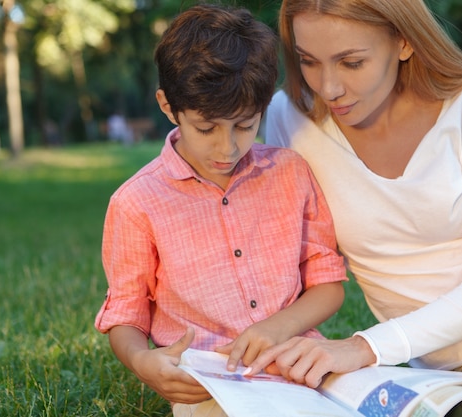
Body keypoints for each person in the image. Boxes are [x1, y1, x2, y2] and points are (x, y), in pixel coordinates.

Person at [244, 0, 462, 415]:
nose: (329, 87)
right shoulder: (289, 118)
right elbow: (281, 258)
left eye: (352, 62)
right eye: (309, 62)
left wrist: (366, 346)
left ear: (403, 41)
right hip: (460, 366)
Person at [93, 4, 347, 417]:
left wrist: (276, 328)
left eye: (246, 125)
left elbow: (327, 283)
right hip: (211, 384)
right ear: (167, 106)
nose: (227, 147)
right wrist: (142, 362)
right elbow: (128, 312)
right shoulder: (136, 203)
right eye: (207, 128)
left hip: (302, 363)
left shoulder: (291, 173)